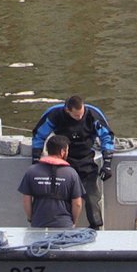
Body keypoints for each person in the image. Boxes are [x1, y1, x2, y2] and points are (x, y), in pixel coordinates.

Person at [32, 95, 114, 230]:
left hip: (86, 160)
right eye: (76, 116)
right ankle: (61, 226)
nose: (80, 118)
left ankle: (96, 226)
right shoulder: (55, 114)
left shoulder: (93, 114)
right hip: (62, 161)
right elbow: (39, 135)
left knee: (92, 197)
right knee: (59, 197)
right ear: (67, 110)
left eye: (82, 114)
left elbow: (107, 136)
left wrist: (107, 163)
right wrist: (36, 159)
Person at [18, 134, 84, 228]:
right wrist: (73, 222)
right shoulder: (71, 174)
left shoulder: (31, 171)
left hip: (38, 223)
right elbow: (77, 204)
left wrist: (31, 218)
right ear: (62, 152)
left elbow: (26, 200)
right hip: (64, 225)